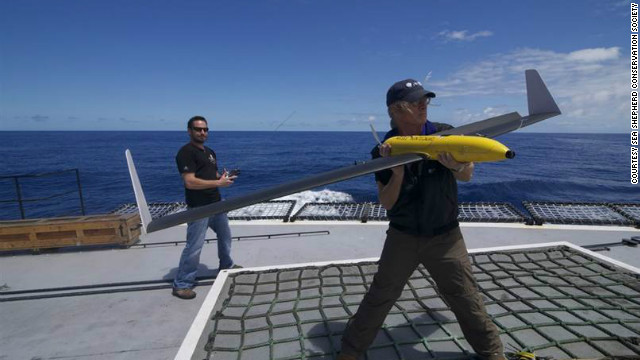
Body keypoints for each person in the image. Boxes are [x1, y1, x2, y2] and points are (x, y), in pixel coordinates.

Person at [338, 80, 504, 359]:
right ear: (396, 110)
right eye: (415, 102)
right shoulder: (384, 149)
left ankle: (493, 354)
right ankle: (350, 353)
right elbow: (386, 202)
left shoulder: (446, 134)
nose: (423, 105)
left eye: (424, 100)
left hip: (446, 237)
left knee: (465, 298)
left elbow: (467, 175)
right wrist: (398, 173)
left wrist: (455, 165)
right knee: (380, 297)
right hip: (402, 237)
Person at [172, 115, 240, 300]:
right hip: (199, 207)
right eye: (198, 129)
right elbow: (190, 182)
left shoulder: (210, 152)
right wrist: (218, 183)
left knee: (225, 237)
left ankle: (226, 266)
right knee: (194, 246)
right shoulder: (185, 152)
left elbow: (211, 174)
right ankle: (182, 284)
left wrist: (223, 177)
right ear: (189, 131)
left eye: (205, 129)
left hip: (216, 204)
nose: (202, 132)